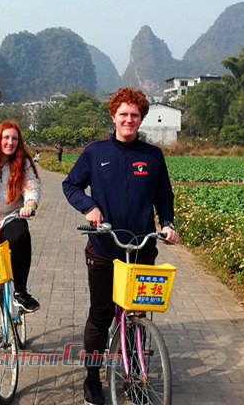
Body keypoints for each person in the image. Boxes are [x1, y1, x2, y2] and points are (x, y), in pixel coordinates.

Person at [62, 87, 180, 405]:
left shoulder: (152, 156)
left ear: (141, 119)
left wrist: (167, 224)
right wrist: (88, 207)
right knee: (100, 316)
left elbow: (164, 197)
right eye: (123, 114)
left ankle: (135, 374)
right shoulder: (95, 152)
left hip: (142, 249)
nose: (129, 119)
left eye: (135, 115)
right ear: (113, 116)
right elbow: (70, 184)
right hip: (104, 248)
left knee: (135, 315)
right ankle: (92, 378)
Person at [0, 120, 42, 313]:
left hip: (9, 216)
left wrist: (30, 204)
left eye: (14, 138)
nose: (10, 142)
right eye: (5, 138)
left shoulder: (21, 162)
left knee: (20, 235)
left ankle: (20, 292)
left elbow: (31, 185)